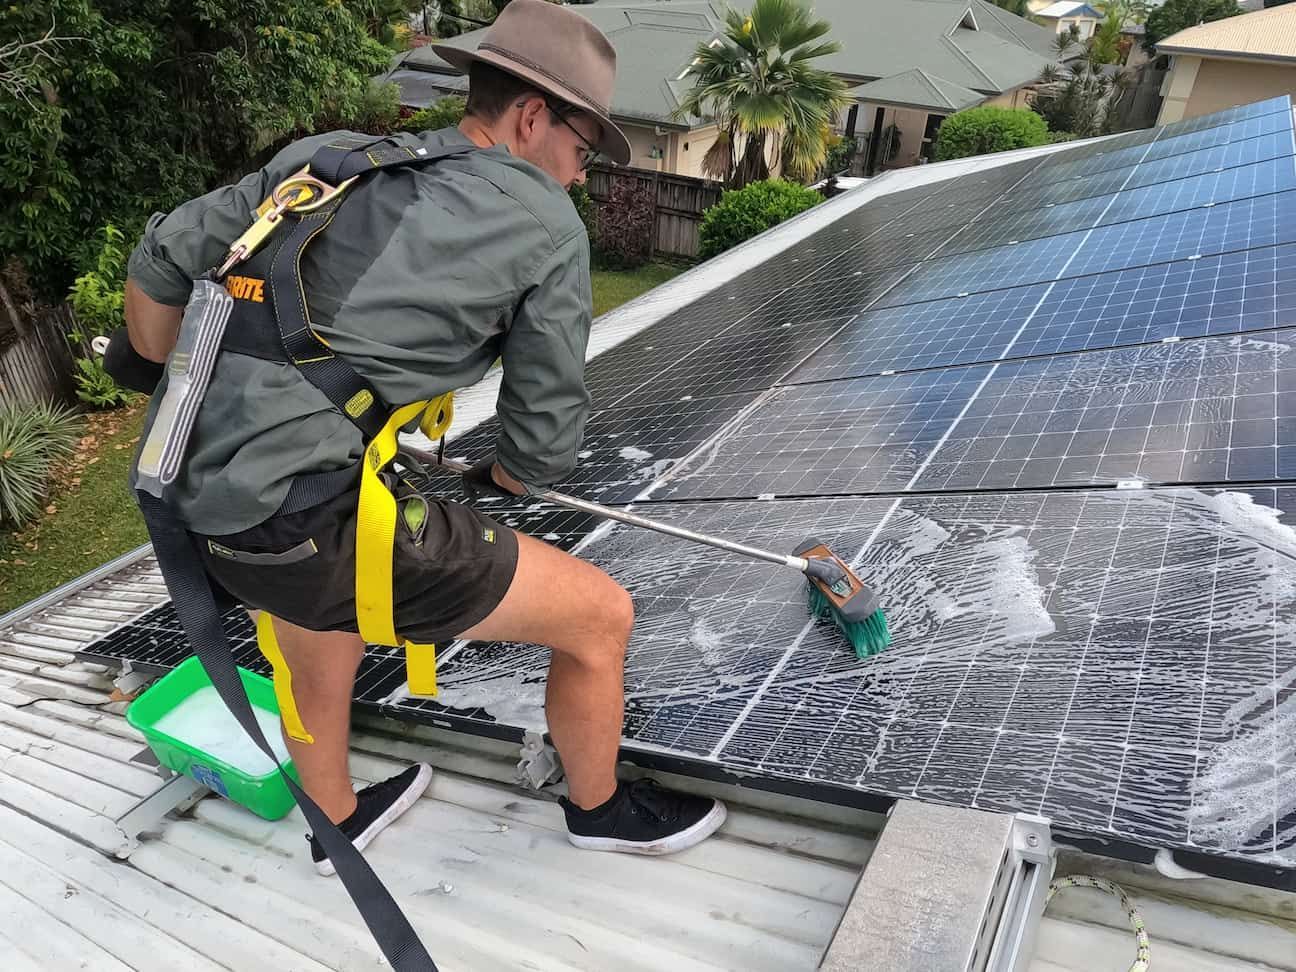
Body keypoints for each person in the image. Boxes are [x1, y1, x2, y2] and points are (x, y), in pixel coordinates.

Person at [122, 0, 725, 877]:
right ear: (531, 117)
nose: (580, 174)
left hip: (189, 501)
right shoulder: (545, 225)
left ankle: (335, 818)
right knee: (601, 617)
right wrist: (506, 478)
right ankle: (600, 810)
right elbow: (541, 444)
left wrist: (177, 371)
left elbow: (157, 267)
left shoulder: (328, 160)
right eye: (583, 149)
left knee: (316, 617)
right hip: (303, 520)